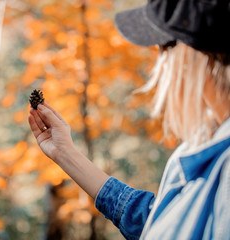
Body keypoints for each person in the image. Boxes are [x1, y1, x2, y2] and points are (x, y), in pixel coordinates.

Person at [28, 0, 230, 239]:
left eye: (162, 46)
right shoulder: (203, 151)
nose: (158, 61)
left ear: (191, 54)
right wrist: (66, 154)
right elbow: (159, 223)